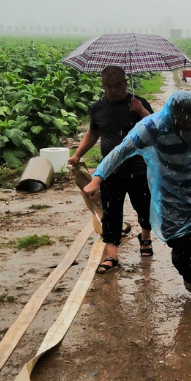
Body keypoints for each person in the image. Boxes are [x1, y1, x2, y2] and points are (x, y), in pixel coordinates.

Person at [83, 91, 191, 302]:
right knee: (181, 246)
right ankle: (188, 271)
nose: (188, 124)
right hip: (171, 198)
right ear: (172, 115)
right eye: (182, 120)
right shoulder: (154, 127)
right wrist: (98, 177)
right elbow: (122, 150)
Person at [68, 65, 154, 274]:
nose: (112, 90)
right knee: (111, 212)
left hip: (138, 168)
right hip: (110, 171)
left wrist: (141, 111)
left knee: (143, 207)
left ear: (125, 83)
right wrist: (78, 154)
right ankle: (112, 255)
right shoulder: (98, 108)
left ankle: (145, 237)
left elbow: (156, 129)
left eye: (117, 85)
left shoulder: (138, 103)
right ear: (103, 85)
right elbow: (93, 133)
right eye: (108, 85)